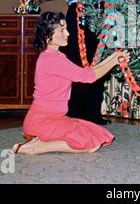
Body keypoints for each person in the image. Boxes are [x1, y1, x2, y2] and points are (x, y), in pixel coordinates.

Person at [12, 12, 130, 155]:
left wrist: (114, 59)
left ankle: (39, 141)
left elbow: (86, 72)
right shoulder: (52, 60)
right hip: (42, 121)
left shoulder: (55, 55)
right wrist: (113, 60)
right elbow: (88, 77)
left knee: (98, 134)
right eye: (62, 30)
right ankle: (37, 147)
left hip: (53, 118)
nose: (68, 33)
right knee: (89, 145)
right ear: (48, 35)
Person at [61, 0, 120, 125]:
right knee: (79, 64)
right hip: (79, 15)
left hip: (101, 17)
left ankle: (93, 114)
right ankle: (76, 114)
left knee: (99, 63)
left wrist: (114, 3)